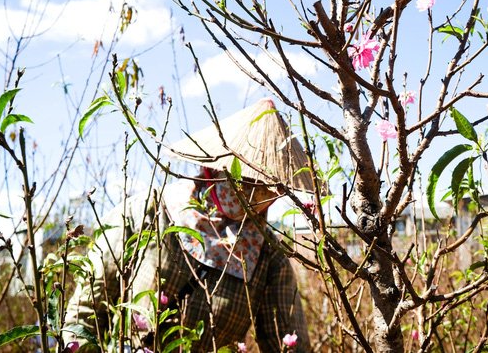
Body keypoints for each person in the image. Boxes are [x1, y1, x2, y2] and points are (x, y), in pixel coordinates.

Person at [63, 99, 312, 352]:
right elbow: (86, 311)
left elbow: (289, 343)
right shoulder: (149, 212)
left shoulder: (267, 256)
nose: (253, 192)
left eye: (267, 185)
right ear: (217, 166)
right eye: (244, 177)